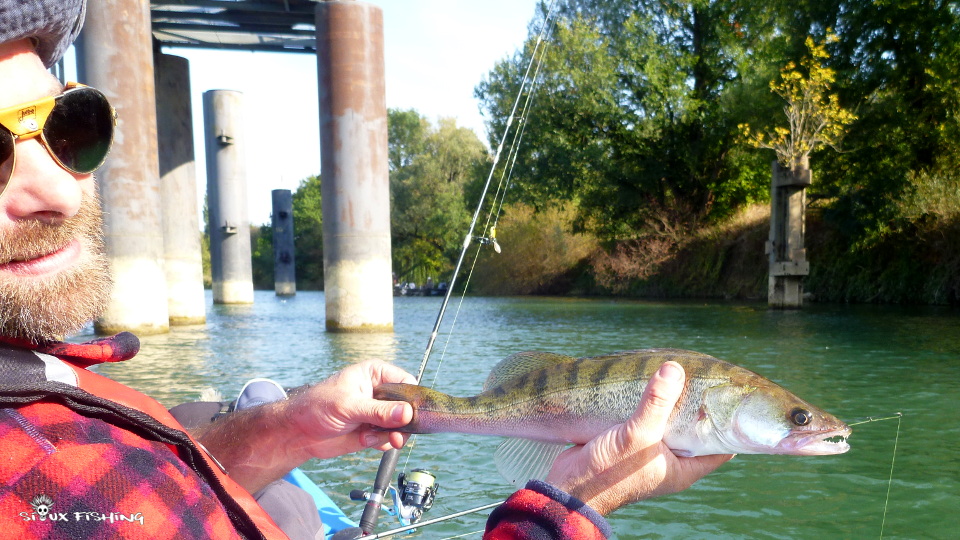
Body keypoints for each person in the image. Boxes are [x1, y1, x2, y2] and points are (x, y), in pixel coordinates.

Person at [0, 2, 733, 538]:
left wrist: (280, 432)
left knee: (274, 485)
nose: (60, 190)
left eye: (70, 127)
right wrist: (566, 504)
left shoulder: (47, 389)